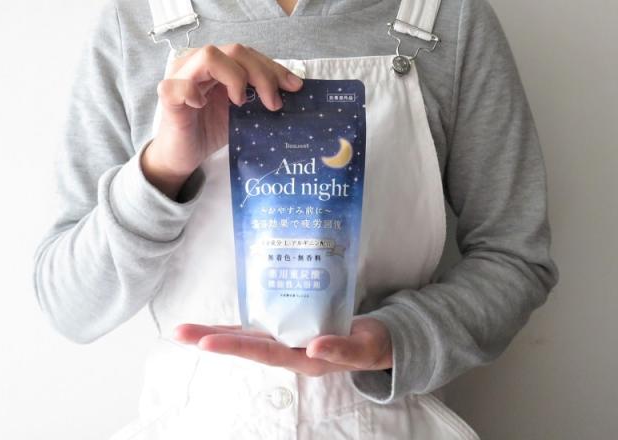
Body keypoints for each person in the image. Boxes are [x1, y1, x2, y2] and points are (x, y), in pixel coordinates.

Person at [33, 0, 559, 438]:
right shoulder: (135, 24)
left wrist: (397, 338)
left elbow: (515, 258)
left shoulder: (449, 18)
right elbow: (71, 305)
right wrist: (163, 168)